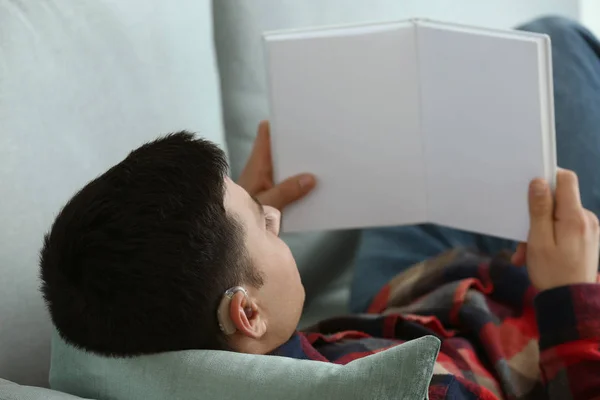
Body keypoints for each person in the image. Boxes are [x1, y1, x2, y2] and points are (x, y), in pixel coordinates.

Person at [39, 17, 600, 399]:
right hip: (532, 328)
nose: (275, 215)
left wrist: (235, 230)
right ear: (247, 314)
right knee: (560, 50)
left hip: (401, 304)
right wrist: (567, 293)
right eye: (263, 223)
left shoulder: (139, 324)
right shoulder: (426, 390)